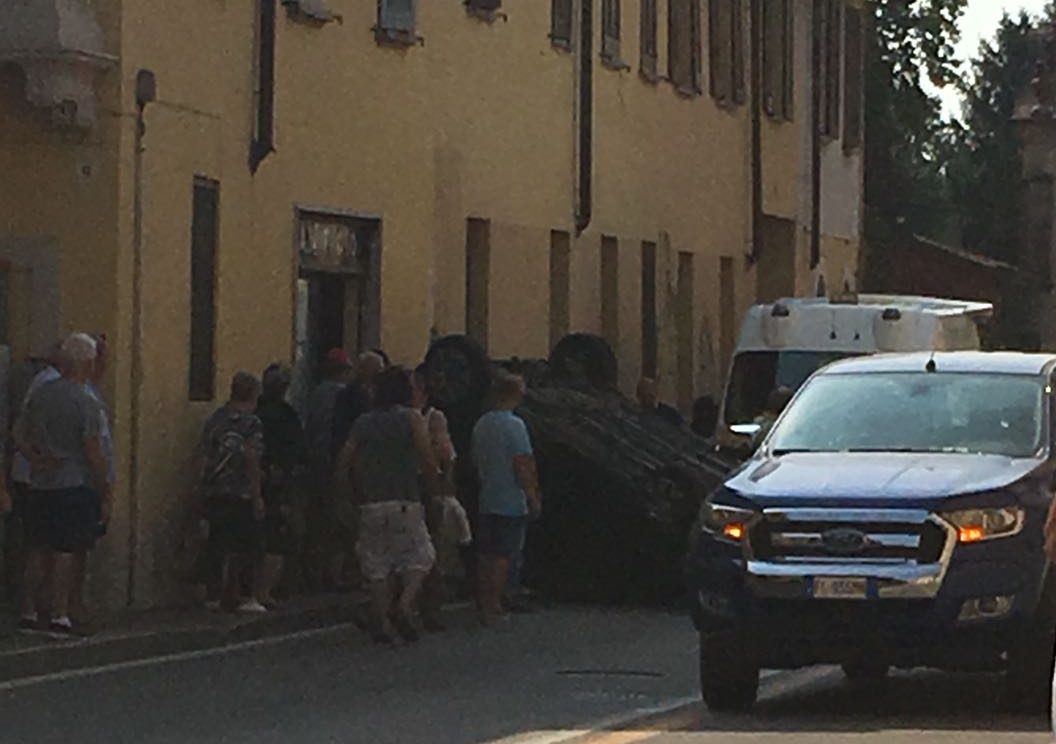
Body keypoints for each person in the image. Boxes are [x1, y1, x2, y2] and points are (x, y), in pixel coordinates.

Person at [14, 333, 110, 637]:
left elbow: (18, 432)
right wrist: (104, 487)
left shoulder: (41, 394)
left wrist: (34, 458)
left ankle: (28, 611)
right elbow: (93, 449)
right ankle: (60, 614)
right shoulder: (85, 400)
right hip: (73, 482)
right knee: (66, 549)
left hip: (41, 481)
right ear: (85, 362)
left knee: (37, 547)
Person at [334, 366, 439, 644]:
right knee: (420, 555)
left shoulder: (363, 422)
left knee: (376, 563)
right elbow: (427, 459)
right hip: (405, 498)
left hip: (371, 502)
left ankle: (380, 622)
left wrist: (347, 494)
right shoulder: (412, 419)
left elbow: (344, 462)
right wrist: (434, 486)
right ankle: (403, 606)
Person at [471, 372, 541, 627]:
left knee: (485, 553)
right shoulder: (515, 425)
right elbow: (523, 463)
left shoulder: (481, 424)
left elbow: (476, 461)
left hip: (487, 496)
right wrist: (532, 496)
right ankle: (495, 604)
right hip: (510, 499)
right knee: (504, 554)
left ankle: (483, 600)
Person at [199, 372, 266, 613]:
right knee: (248, 545)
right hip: (242, 491)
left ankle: (213, 595)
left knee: (217, 544)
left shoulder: (216, 419)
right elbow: (252, 457)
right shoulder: (252, 423)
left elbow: (205, 454)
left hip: (216, 489)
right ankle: (247, 595)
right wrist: (257, 495)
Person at [6, 343, 61, 603]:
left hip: (35, 475)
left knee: (36, 543)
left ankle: (35, 604)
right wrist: (36, 458)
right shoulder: (52, 387)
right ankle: (38, 604)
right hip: (40, 479)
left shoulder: (46, 384)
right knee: (43, 545)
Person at [256, 363, 305, 608]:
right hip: (278, 485)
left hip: (253, 482)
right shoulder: (286, 416)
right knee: (278, 537)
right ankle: (268, 590)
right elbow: (296, 450)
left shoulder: (255, 412)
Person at [413, 364, 458, 632]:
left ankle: (429, 608)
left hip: (425, 486)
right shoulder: (402, 417)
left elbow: (446, 454)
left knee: (430, 549)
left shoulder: (433, 418)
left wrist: (443, 487)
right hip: (406, 486)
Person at [303, 348, 352, 590]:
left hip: (315, 460)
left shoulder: (316, 393)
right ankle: (333, 575)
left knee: (318, 518)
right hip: (334, 462)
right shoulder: (344, 395)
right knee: (337, 520)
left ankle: (315, 572)